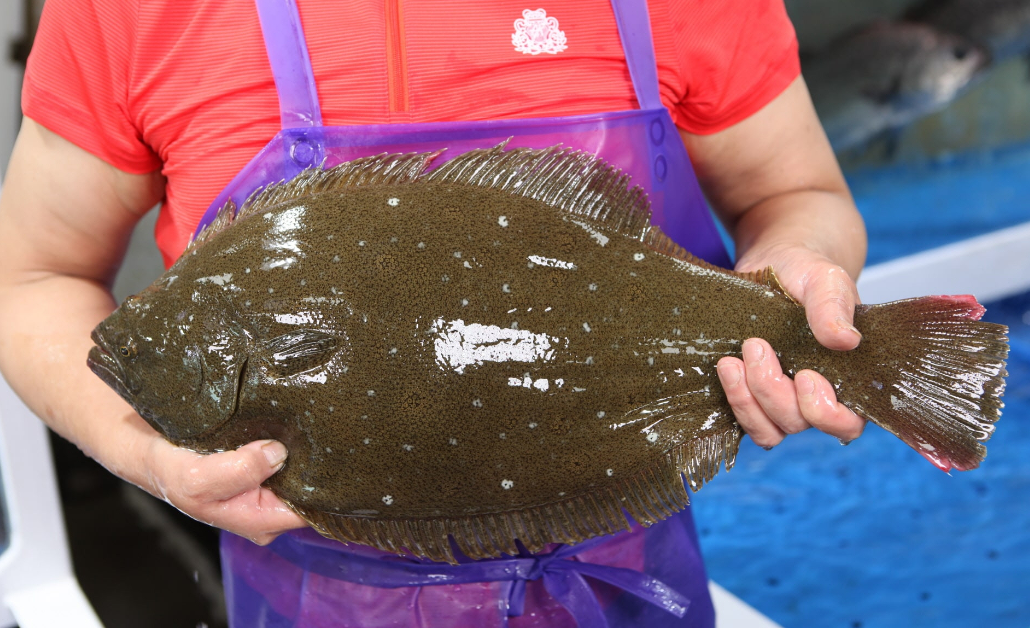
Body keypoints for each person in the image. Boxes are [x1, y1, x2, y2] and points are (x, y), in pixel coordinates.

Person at [0, 0, 867, 625]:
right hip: (311, 598)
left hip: (627, 576)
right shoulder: (127, 13)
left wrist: (801, 274)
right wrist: (144, 454)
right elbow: (30, 281)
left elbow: (794, 193)